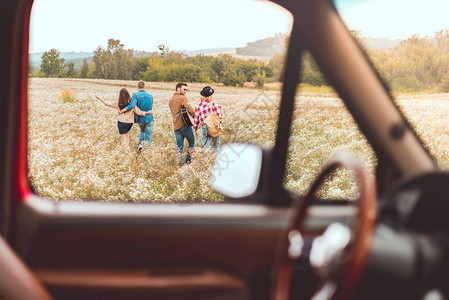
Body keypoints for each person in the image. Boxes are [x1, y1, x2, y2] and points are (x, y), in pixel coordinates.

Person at [120, 81, 154, 152]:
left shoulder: (135, 95)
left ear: (138, 87)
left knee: (142, 131)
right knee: (148, 136)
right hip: (149, 118)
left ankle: (140, 145)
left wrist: (123, 110)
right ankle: (147, 150)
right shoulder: (150, 96)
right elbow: (150, 107)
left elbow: (132, 106)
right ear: (145, 87)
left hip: (140, 118)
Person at [168, 82, 195, 166]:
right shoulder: (183, 98)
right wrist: (194, 114)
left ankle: (179, 164)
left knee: (179, 146)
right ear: (178, 89)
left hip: (176, 126)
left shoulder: (171, 99)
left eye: (186, 90)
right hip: (184, 125)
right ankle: (188, 162)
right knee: (192, 142)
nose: (185, 91)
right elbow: (190, 109)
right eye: (184, 89)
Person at [193, 86, 222, 152]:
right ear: (210, 96)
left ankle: (206, 161)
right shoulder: (213, 104)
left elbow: (196, 119)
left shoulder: (198, 106)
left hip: (204, 127)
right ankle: (216, 161)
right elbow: (219, 116)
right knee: (216, 146)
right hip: (214, 127)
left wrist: (195, 130)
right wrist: (221, 109)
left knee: (206, 147)